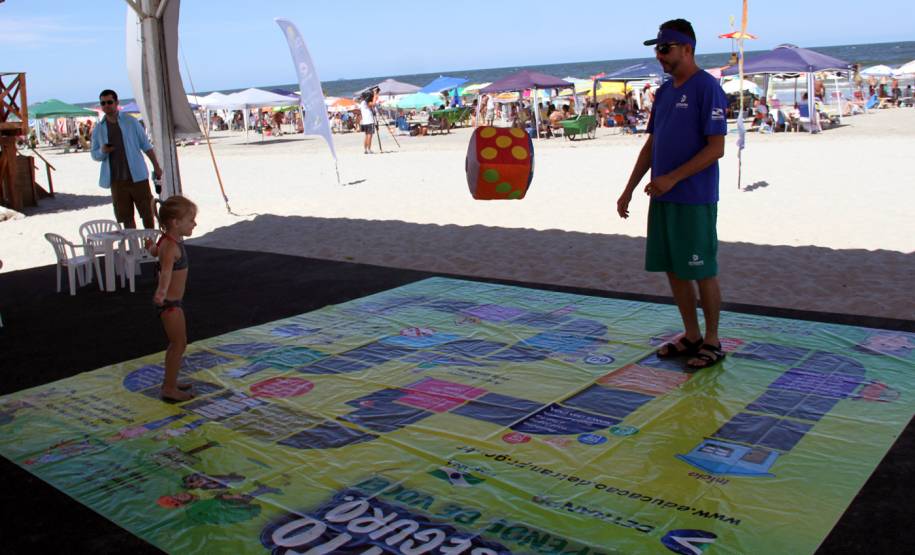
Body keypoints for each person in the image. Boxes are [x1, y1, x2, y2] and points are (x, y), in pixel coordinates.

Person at [617, 19, 728, 371]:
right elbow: (652, 144)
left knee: (701, 270)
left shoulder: (707, 88)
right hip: (661, 197)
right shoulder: (664, 93)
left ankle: (712, 340)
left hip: (694, 197)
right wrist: (629, 189)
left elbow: (716, 148)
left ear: (687, 49)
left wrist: (673, 178)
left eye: (665, 48)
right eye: (657, 49)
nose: (660, 55)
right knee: (675, 271)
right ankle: (691, 335)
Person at [149, 195, 198, 403]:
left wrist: (150, 247)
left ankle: (170, 381)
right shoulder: (171, 247)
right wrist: (161, 293)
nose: (194, 223)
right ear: (176, 223)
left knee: (176, 344)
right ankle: (169, 388)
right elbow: (166, 272)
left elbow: (155, 252)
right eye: (191, 220)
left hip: (172, 304)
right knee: (179, 344)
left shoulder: (166, 241)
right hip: (170, 306)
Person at [90, 89, 162, 229]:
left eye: (110, 102)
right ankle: (134, 247)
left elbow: (146, 146)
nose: (106, 105)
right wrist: (102, 151)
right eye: (103, 103)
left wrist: (157, 167)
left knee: (147, 212)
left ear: (117, 103)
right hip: (116, 180)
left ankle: (150, 244)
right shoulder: (99, 128)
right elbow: (94, 155)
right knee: (125, 217)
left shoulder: (130, 122)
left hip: (138, 176)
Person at [359, 87, 378, 154]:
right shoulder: (366, 103)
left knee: (367, 135)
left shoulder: (362, 103)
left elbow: (371, 105)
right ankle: (369, 149)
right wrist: (375, 95)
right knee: (370, 135)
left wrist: (374, 96)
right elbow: (373, 104)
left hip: (365, 121)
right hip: (369, 121)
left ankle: (366, 149)